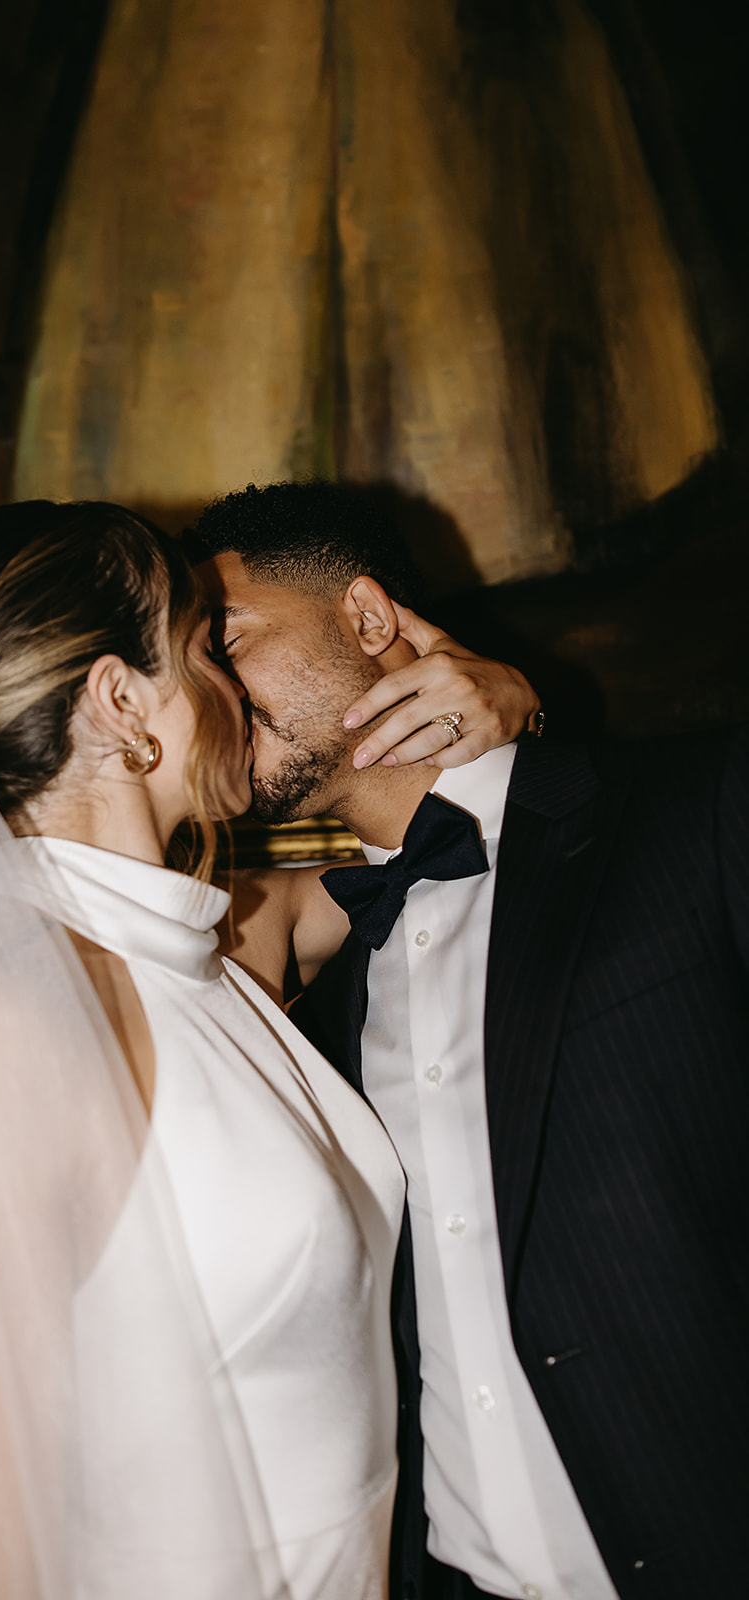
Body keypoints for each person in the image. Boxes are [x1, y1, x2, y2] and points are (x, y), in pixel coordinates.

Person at [0, 498, 533, 1600]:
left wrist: (510, 705)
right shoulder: (0, 1034)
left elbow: (407, 861)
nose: (236, 694)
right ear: (123, 703)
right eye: (201, 654)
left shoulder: (213, 940)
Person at [185, 479, 749, 1600]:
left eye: (228, 643)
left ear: (365, 617)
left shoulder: (695, 812)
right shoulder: (288, 973)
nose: (205, 688)